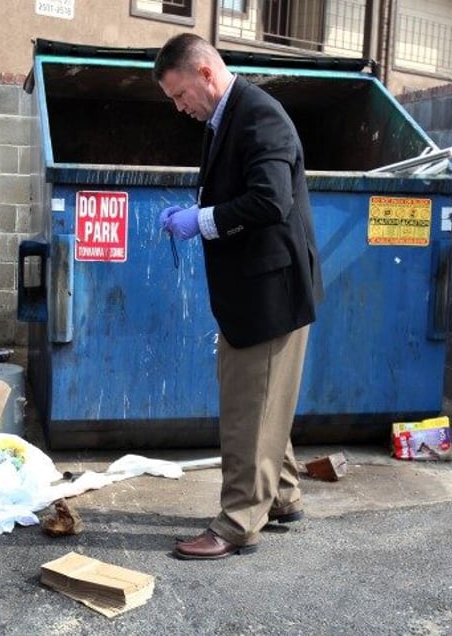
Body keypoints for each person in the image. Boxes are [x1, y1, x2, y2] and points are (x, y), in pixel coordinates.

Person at [154, 34, 324, 559]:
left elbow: (271, 200)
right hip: (253, 292)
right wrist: (198, 208)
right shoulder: (224, 118)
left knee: (248, 410)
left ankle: (237, 522)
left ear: (206, 72)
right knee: (262, 400)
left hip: (270, 295)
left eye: (181, 94)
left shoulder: (259, 116)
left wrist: (201, 221)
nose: (180, 108)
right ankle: (284, 496)